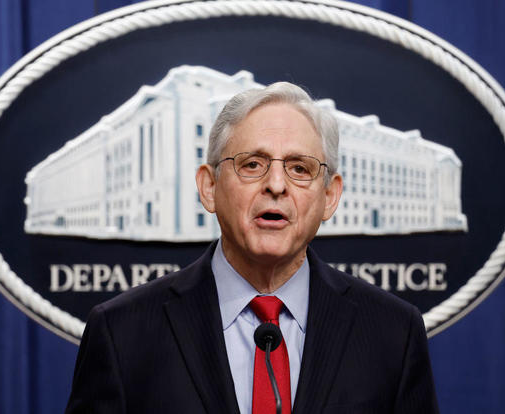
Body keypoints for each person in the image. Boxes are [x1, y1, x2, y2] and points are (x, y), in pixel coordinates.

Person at [65, 82, 440, 413]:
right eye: (253, 164)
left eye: (299, 168)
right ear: (209, 187)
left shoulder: (393, 332)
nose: (276, 184)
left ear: (329, 196)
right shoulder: (122, 332)